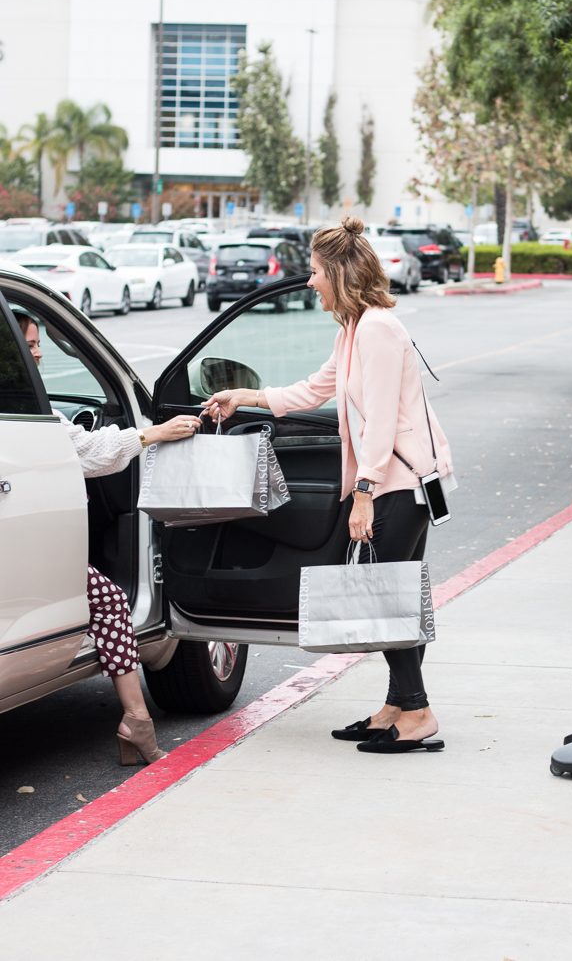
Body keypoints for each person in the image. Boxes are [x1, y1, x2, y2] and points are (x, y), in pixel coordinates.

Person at [202, 216, 455, 754]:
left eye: (315, 272)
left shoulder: (379, 330)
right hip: (394, 481)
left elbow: (382, 420)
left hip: (400, 483)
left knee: (388, 600)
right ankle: (399, 706)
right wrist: (243, 397)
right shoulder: (354, 329)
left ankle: (419, 712)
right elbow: (312, 391)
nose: (310, 281)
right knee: (395, 597)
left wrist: (364, 492)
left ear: (339, 273)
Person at [15, 311, 202, 765]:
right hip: (27, 550)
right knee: (112, 601)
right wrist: (154, 432)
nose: (37, 352)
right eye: (29, 345)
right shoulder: (31, 416)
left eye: (38, 343)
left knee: (106, 599)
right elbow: (92, 454)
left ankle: (137, 721)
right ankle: (136, 721)